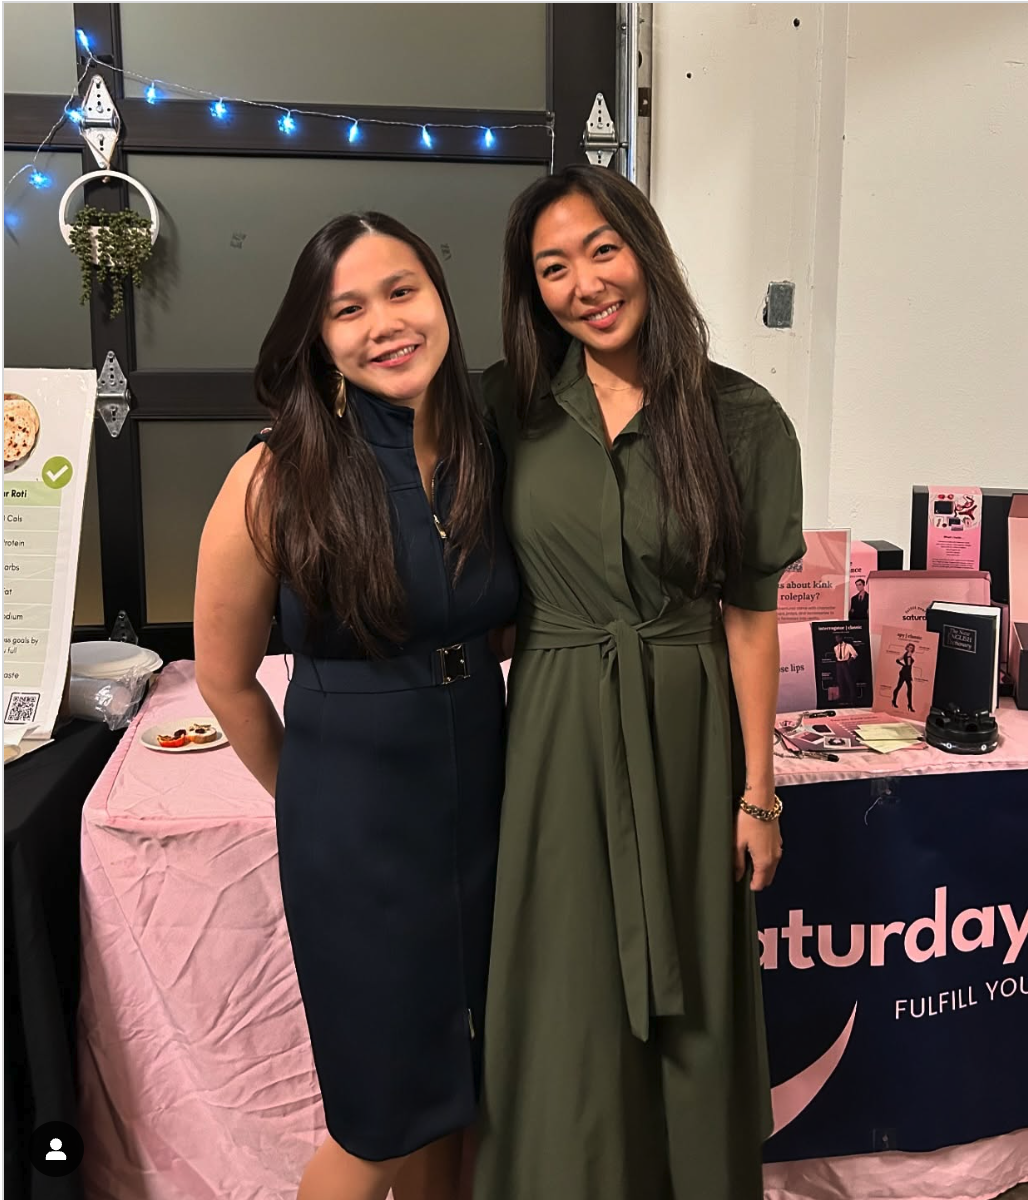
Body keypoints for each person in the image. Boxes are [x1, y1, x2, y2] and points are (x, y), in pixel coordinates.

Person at [474, 165, 805, 1197]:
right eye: (552, 267)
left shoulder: (741, 418)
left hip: (687, 721)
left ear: (645, 252)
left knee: (695, 992)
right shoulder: (504, 408)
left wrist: (758, 794)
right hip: (556, 726)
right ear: (533, 292)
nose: (584, 283)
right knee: (564, 987)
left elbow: (751, 622)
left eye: (601, 250)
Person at [194, 213, 516, 1200]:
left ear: (442, 304)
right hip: (354, 821)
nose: (385, 321)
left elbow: (501, 624)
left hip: (485, 791)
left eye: (403, 291)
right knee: (380, 1115)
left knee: (459, 1093)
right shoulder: (277, 474)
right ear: (317, 336)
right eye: (349, 307)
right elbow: (224, 675)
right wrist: (309, 796)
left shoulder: (483, 455)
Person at [892, 640, 917, 711]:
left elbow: (897, 660)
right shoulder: (908, 654)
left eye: (911, 648)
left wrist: (903, 665)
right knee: (907, 688)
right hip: (906, 673)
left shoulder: (905, 654)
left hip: (904, 672)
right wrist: (905, 664)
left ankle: (894, 701)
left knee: (900, 687)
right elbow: (908, 665)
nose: (910, 649)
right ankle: (909, 705)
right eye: (909, 647)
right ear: (907, 648)